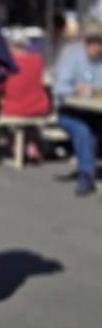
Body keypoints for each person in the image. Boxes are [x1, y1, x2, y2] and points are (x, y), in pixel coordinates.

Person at [51, 14, 102, 196]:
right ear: (85, 42)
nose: (96, 46)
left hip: (96, 111)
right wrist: (75, 89)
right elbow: (59, 89)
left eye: (100, 42)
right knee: (82, 130)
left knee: (90, 127)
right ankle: (85, 175)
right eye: (92, 41)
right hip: (69, 110)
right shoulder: (71, 55)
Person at [0, 26, 51, 163]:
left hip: (16, 107)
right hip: (38, 105)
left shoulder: (6, 63)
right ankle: (31, 145)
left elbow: (0, 86)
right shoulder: (37, 59)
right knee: (29, 116)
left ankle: (15, 145)